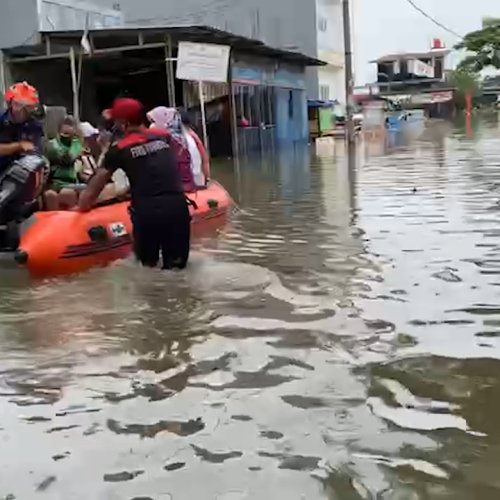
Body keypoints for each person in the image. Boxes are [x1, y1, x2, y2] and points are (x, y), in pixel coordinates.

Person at [79, 98, 191, 270]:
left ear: (123, 123)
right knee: (177, 268)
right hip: (177, 207)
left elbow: (92, 191)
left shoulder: (119, 149)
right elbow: (158, 169)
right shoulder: (165, 137)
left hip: (148, 212)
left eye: (115, 121)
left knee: (147, 269)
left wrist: (81, 207)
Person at [147, 106, 196, 191]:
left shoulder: (168, 140)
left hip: (177, 187)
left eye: (154, 121)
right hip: (185, 184)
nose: (152, 125)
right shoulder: (180, 138)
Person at [0, 82, 44, 174]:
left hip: (22, 173)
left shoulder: (34, 125)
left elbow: (37, 151)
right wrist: (18, 146)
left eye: (30, 106)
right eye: (18, 104)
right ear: (11, 103)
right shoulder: (2, 120)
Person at [44, 116, 84, 210]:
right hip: (56, 182)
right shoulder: (52, 144)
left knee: (87, 189)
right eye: (65, 125)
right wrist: (76, 143)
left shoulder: (76, 143)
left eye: (71, 126)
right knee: (61, 194)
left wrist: (76, 142)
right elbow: (67, 159)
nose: (67, 128)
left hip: (71, 183)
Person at [180, 110, 210, 187]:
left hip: (191, 181)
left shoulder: (184, 137)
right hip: (198, 179)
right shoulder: (193, 136)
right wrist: (206, 178)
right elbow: (205, 159)